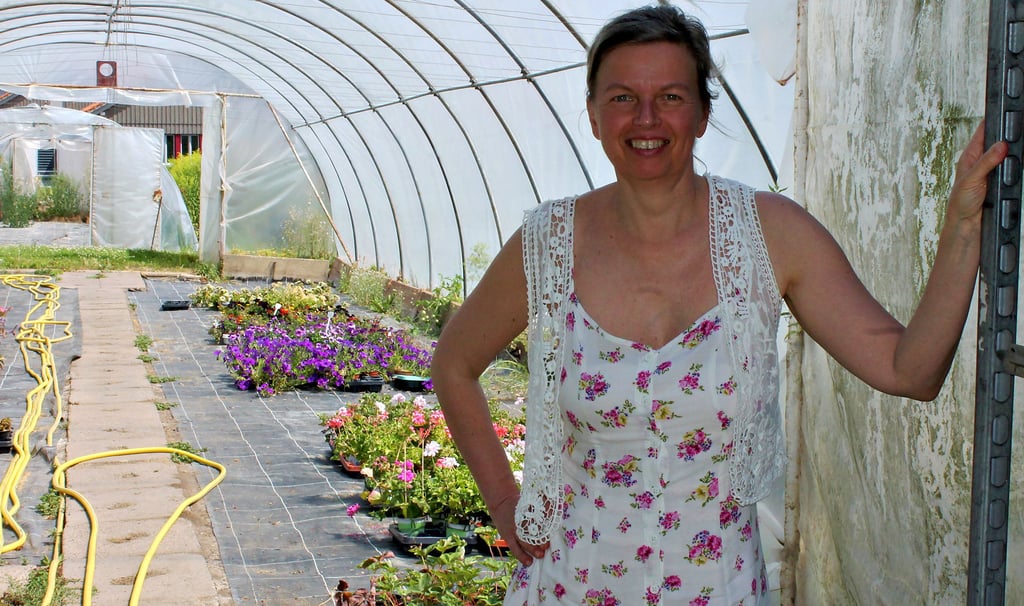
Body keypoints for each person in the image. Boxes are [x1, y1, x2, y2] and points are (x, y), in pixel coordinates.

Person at [430, 4, 1007, 605]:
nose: (647, 118)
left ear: (704, 113)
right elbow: (454, 362)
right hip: (571, 584)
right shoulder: (548, 242)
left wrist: (962, 226)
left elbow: (909, 369)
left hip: (718, 587)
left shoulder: (769, 235)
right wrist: (502, 500)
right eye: (623, 97)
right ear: (595, 117)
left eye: (672, 97)